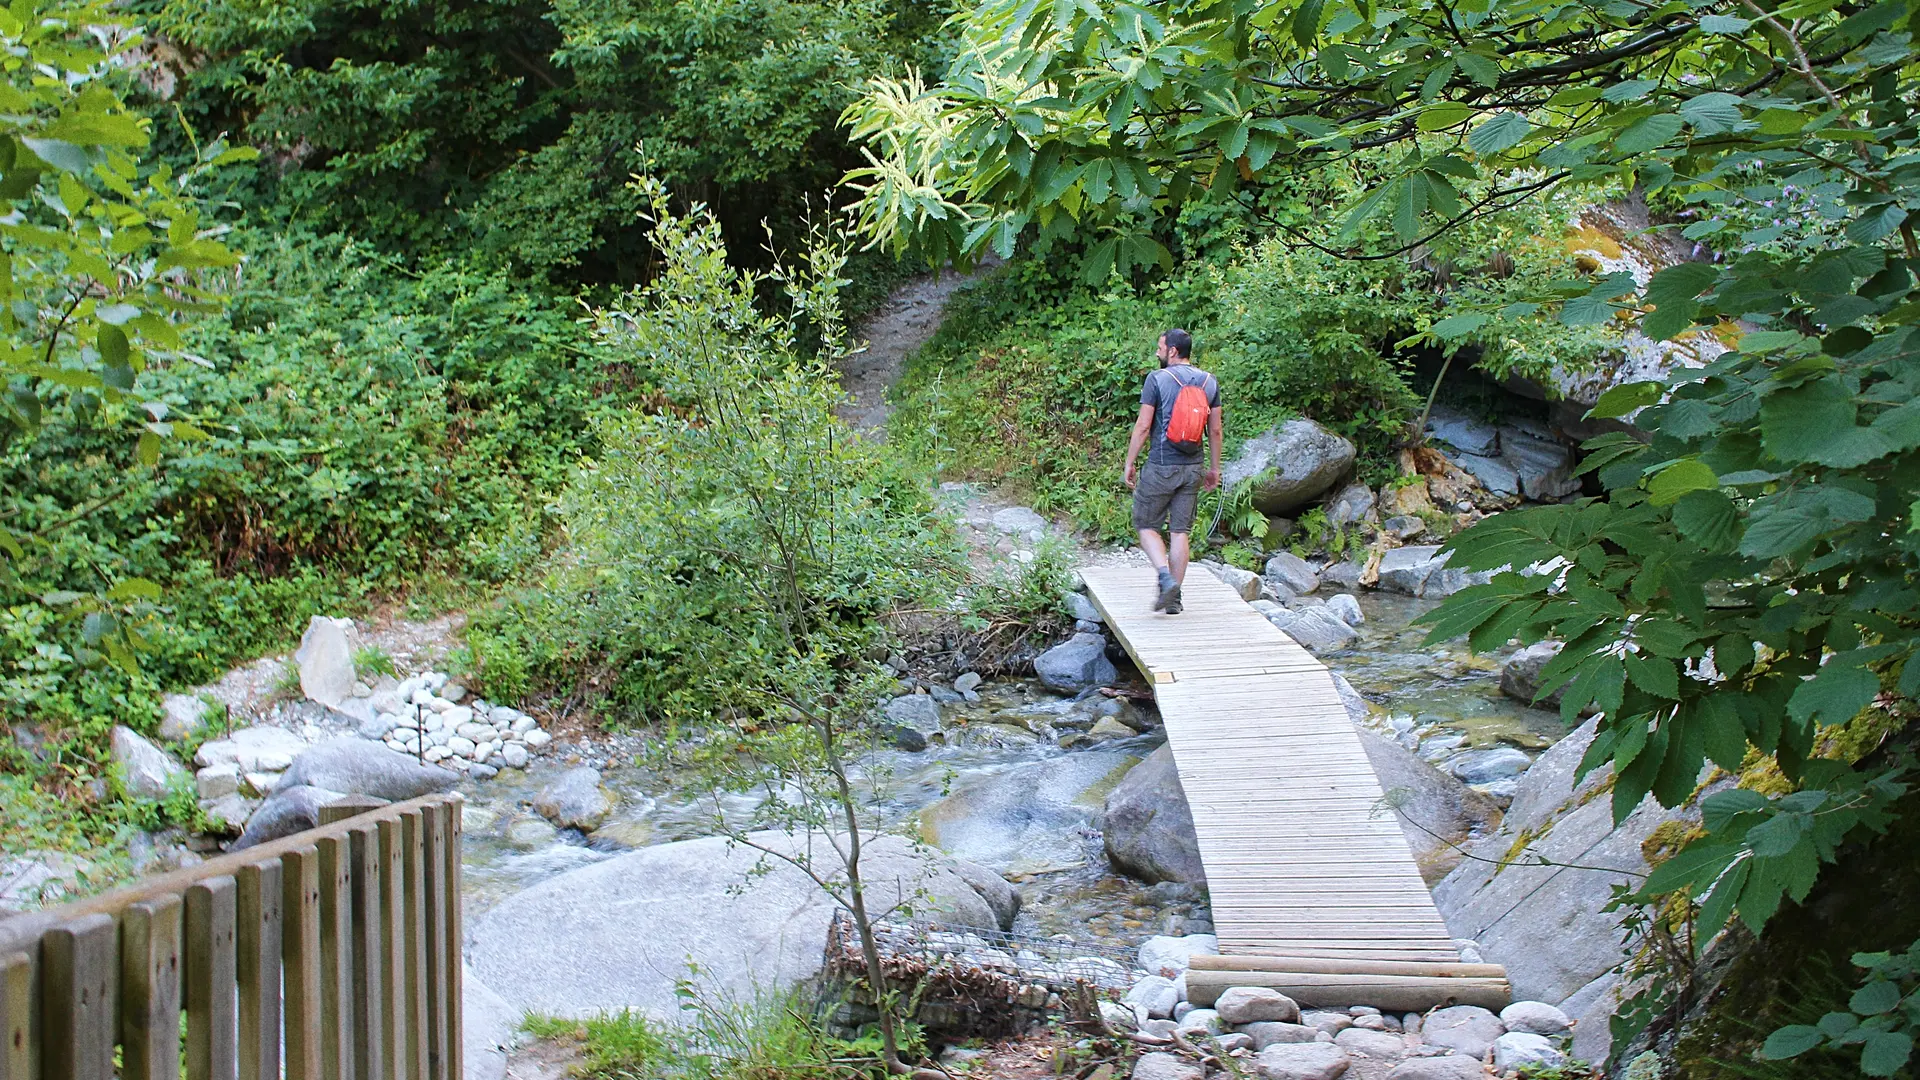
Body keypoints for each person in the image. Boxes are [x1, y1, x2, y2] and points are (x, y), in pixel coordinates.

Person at [1121, 329, 1221, 614]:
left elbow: (1142, 426)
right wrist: (1214, 468)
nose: (1157, 352)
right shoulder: (1209, 381)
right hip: (1194, 468)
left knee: (1146, 524)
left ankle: (1165, 577)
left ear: (1173, 351)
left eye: (1160, 347)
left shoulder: (1157, 379)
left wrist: (1130, 462)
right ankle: (1174, 599)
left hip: (1162, 465)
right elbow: (1214, 429)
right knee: (1180, 531)